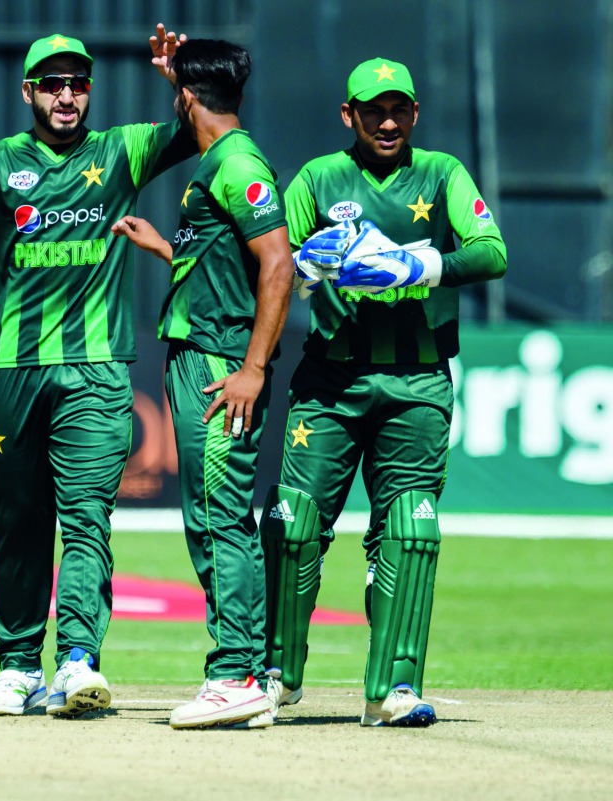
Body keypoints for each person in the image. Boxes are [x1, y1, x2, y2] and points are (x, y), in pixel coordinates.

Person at [0, 26, 197, 717]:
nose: (68, 95)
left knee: (87, 518)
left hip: (96, 371)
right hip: (16, 371)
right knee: (18, 520)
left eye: (79, 83)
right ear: (28, 91)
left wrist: (177, 79)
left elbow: (193, 133)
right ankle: (15, 666)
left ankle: (77, 661)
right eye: (53, 84)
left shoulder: (120, 148)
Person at [262, 57, 507, 726]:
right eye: (374, 110)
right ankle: (278, 675)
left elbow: (492, 250)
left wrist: (419, 263)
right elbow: (272, 263)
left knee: (408, 530)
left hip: (418, 383)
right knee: (292, 524)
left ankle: (393, 687)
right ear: (350, 115)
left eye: (400, 108)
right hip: (331, 381)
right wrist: (307, 266)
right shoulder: (318, 177)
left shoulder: (442, 173)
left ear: (416, 113)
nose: (389, 121)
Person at [110, 39, 293, 729]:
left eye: (177, 93)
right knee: (210, 517)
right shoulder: (218, 159)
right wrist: (165, 247)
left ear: (186, 99)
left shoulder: (237, 161)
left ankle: (236, 672)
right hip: (203, 356)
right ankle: (248, 667)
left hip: (220, 365)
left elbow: (277, 265)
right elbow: (225, 257)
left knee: (220, 519)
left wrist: (251, 367)